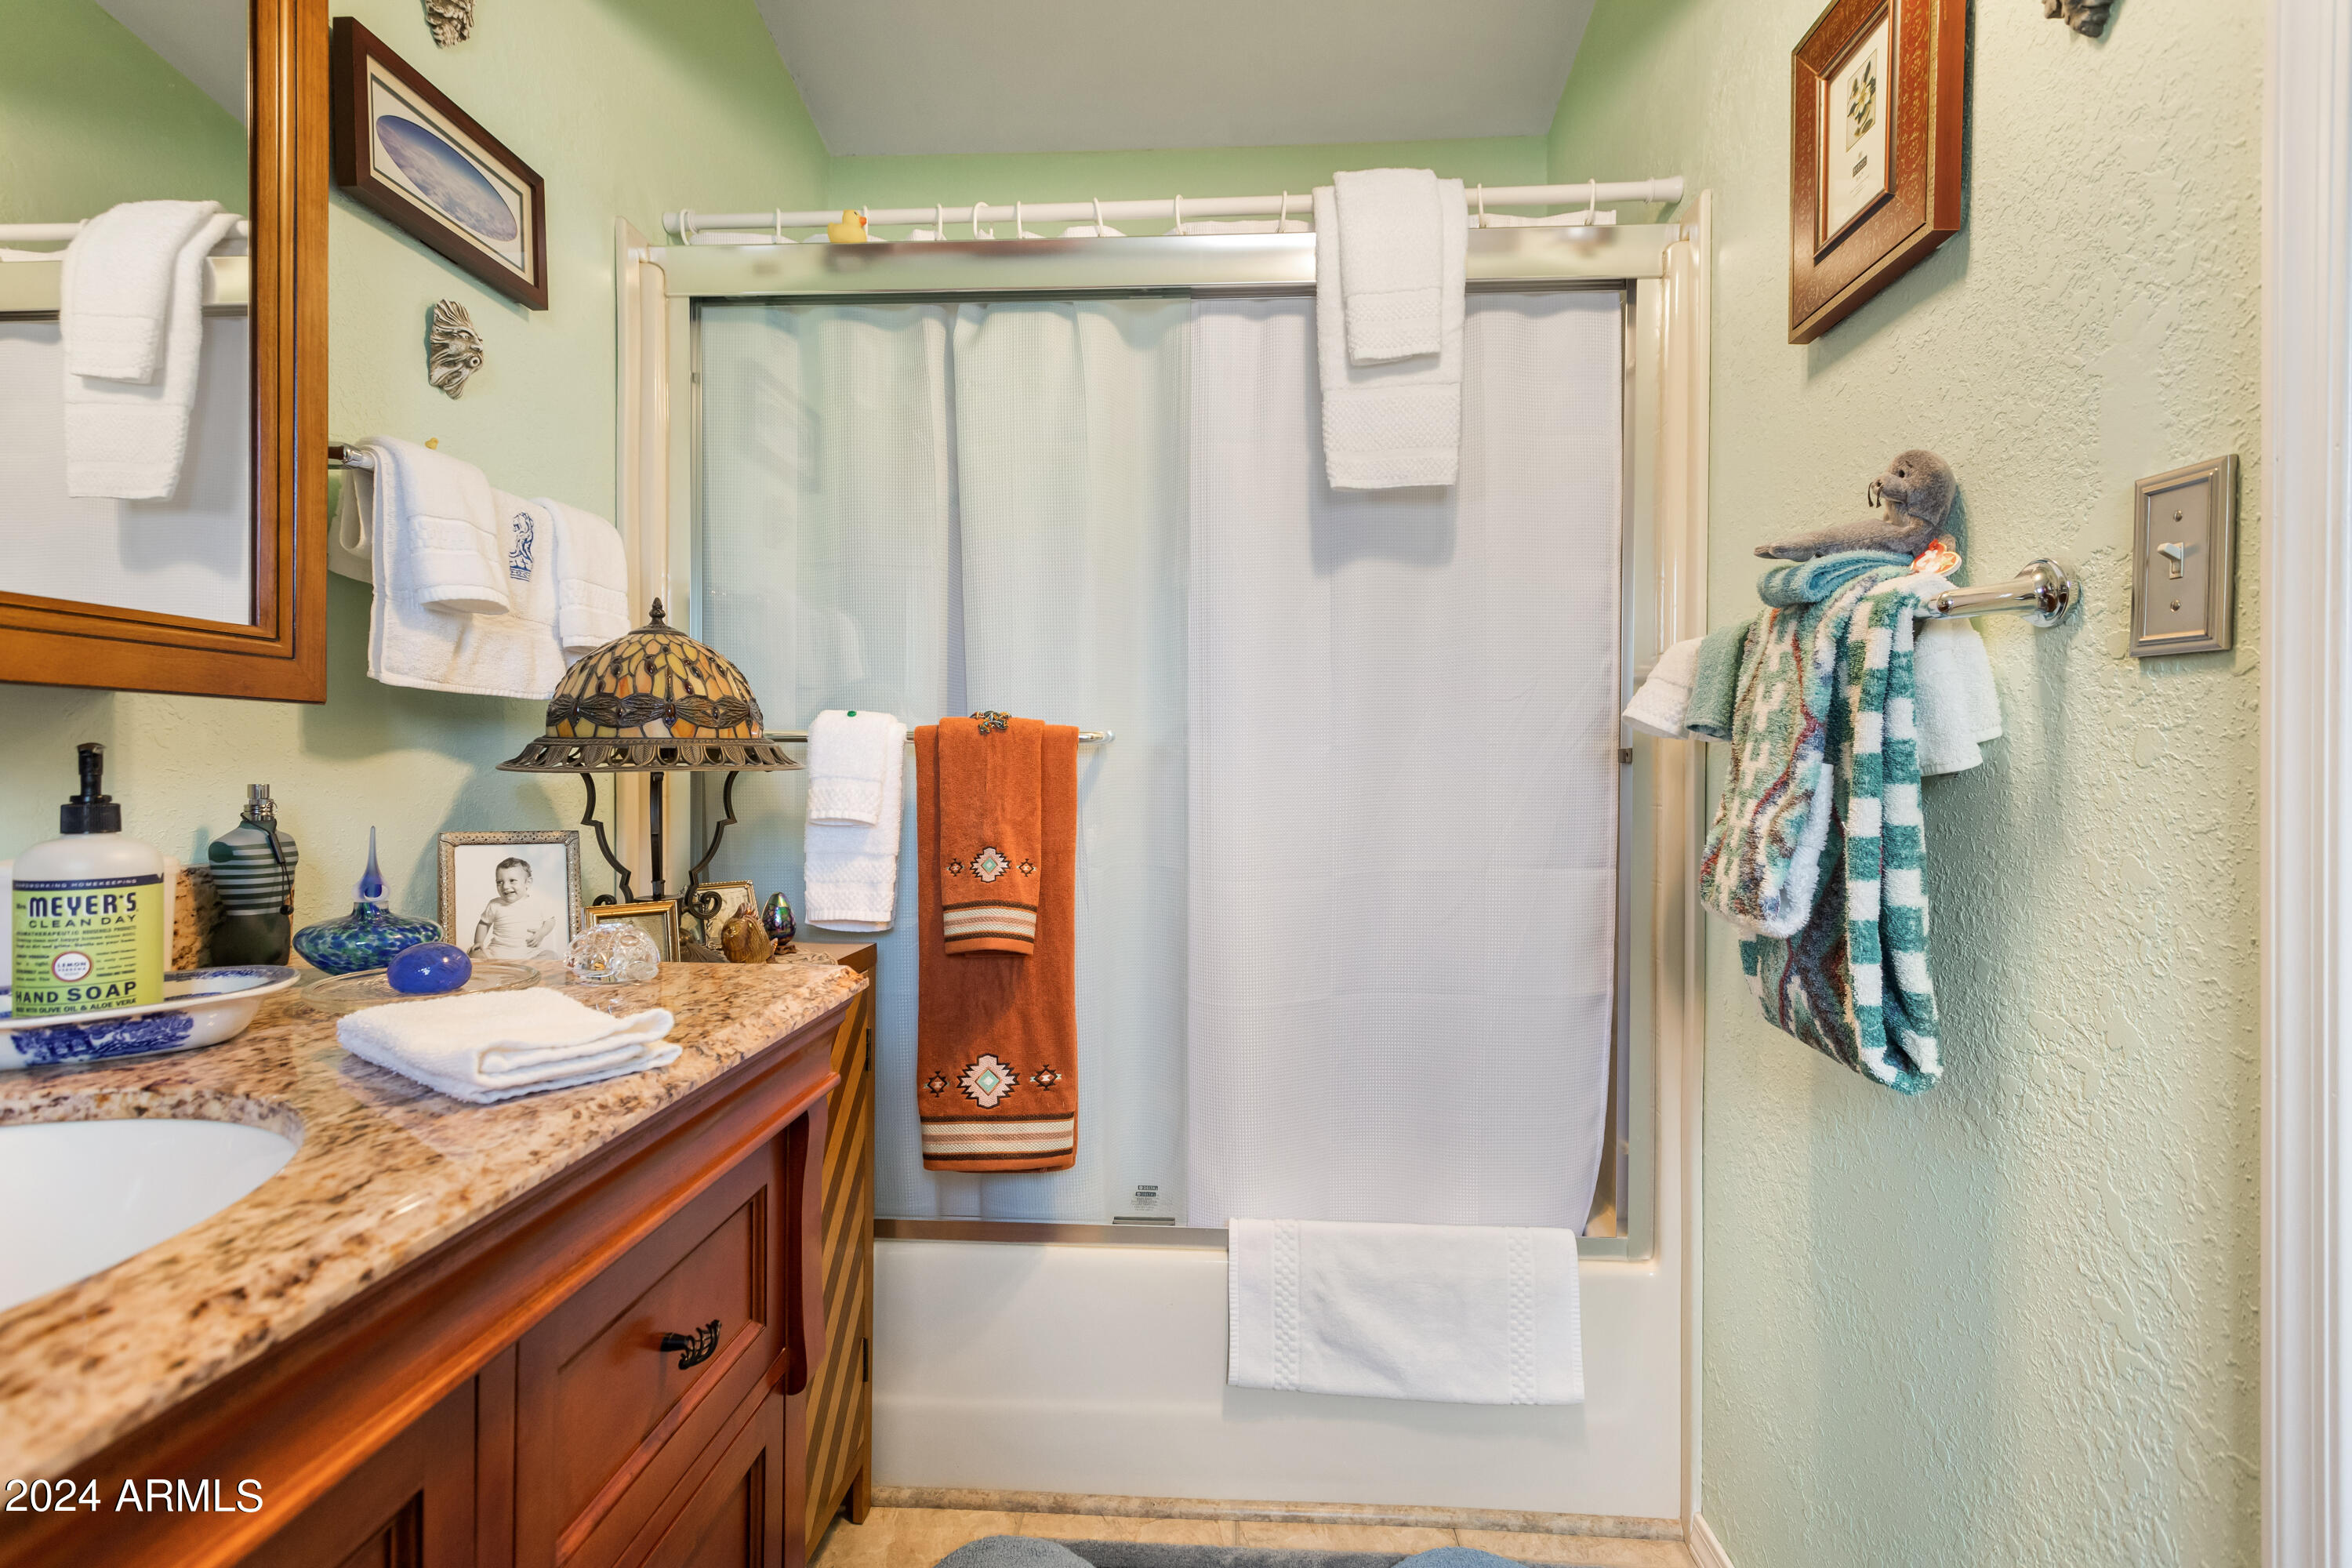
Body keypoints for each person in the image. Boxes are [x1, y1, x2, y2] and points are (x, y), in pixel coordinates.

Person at [470, 855, 562, 960]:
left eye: (512, 880)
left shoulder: (538, 903)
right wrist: (478, 942)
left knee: (551, 955)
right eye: (500, 882)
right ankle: (504, 969)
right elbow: (484, 923)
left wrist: (541, 933)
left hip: (529, 953)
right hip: (497, 952)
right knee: (474, 955)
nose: (505, 886)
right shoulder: (495, 904)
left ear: (527, 882)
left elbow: (550, 920)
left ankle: (526, 969)